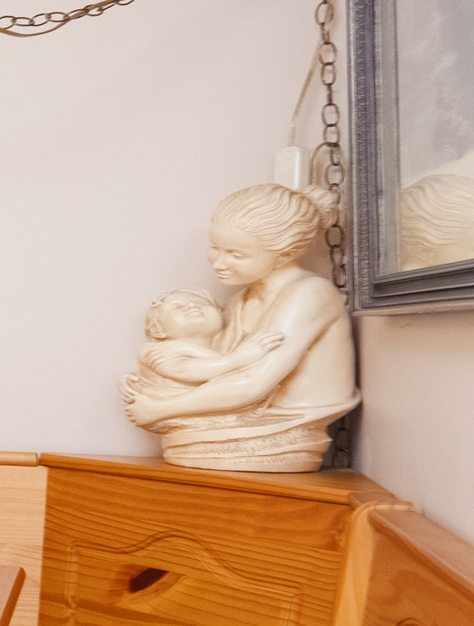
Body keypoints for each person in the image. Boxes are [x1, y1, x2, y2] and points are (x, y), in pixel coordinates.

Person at [120, 183, 357, 472]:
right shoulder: (240, 301)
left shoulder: (308, 295)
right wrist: (151, 382)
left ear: (282, 255)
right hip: (247, 415)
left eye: (236, 254)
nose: (218, 263)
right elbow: (212, 369)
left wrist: (159, 409)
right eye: (215, 248)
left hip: (286, 425)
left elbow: (254, 383)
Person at [133, 288, 285, 391]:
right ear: (157, 329)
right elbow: (185, 370)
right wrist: (240, 359)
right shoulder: (153, 351)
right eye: (177, 307)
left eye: (202, 303)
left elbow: (230, 375)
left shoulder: (225, 346)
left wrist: (185, 348)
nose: (192, 305)